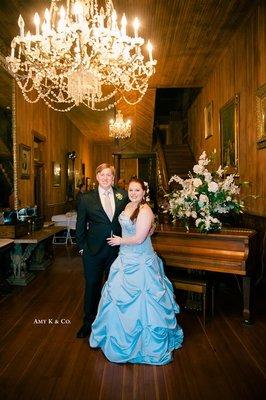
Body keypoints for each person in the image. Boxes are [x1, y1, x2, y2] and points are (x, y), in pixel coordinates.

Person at [89, 178, 183, 365]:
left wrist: (119, 241)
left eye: (137, 190)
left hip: (140, 261)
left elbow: (139, 238)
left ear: (143, 192)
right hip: (125, 259)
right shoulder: (128, 206)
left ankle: (146, 346)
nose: (133, 193)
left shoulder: (145, 210)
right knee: (116, 297)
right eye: (131, 190)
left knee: (146, 302)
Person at [75, 163, 129, 338]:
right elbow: (80, 225)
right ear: (97, 177)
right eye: (103, 175)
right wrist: (82, 248)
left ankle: (113, 322)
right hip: (93, 251)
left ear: (113, 178)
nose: (106, 178)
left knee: (115, 286)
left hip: (117, 250)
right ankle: (88, 323)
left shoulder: (123, 196)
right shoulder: (85, 198)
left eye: (109, 175)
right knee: (92, 286)